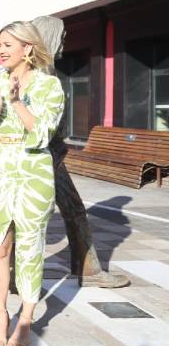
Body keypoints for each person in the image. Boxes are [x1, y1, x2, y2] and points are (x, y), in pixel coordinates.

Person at [0, 21, 65, 346]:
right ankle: (2, 315)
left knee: (30, 247)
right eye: (0, 45)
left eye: (8, 44)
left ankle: (26, 319)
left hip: (34, 173)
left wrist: (18, 103)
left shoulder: (50, 86)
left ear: (27, 47)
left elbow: (43, 134)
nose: (1, 50)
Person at [31, 16, 129, 288]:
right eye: (61, 37)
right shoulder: (41, 76)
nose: (64, 42)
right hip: (45, 157)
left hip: (52, 155)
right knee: (38, 215)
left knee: (70, 210)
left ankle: (87, 269)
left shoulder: (45, 72)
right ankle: (23, 275)